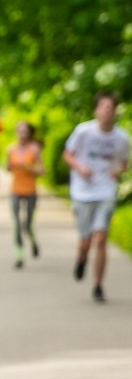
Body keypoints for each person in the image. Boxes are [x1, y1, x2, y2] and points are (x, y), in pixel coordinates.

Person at [62, 92, 130, 302]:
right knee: (86, 241)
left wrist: (117, 173)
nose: (107, 111)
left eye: (111, 107)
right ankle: (82, 258)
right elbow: (67, 154)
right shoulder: (84, 131)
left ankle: (98, 285)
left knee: (101, 238)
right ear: (96, 110)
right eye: (103, 107)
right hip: (82, 191)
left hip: (105, 190)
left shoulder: (122, 137)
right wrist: (80, 168)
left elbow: (124, 164)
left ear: (116, 111)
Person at [7, 121, 45, 268]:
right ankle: (19, 255)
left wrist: (29, 167)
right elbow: (8, 167)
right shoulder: (11, 149)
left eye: (24, 130)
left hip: (30, 190)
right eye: (19, 130)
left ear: (29, 133)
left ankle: (33, 242)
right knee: (16, 223)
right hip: (15, 190)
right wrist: (11, 166)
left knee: (27, 225)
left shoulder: (34, 149)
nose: (22, 133)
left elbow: (42, 170)